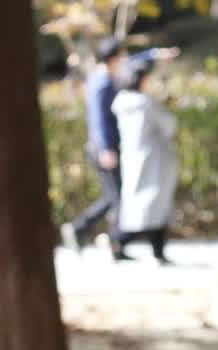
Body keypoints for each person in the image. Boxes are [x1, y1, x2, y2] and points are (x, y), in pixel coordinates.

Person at [60, 39, 178, 252]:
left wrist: (155, 54)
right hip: (104, 148)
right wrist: (105, 148)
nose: (125, 60)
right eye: (122, 56)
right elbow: (98, 120)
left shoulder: (107, 75)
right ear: (114, 58)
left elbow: (133, 60)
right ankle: (90, 232)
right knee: (116, 197)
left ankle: (102, 239)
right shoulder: (102, 83)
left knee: (115, 196)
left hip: (111, 147)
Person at [112, 57, 178, 264]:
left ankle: (133, 245)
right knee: (154, 206)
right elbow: (169, 126)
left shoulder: (121, 103)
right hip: (153, 160)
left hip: (133, 159)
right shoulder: (146, 104)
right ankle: (122, 242)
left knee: (142, 208)